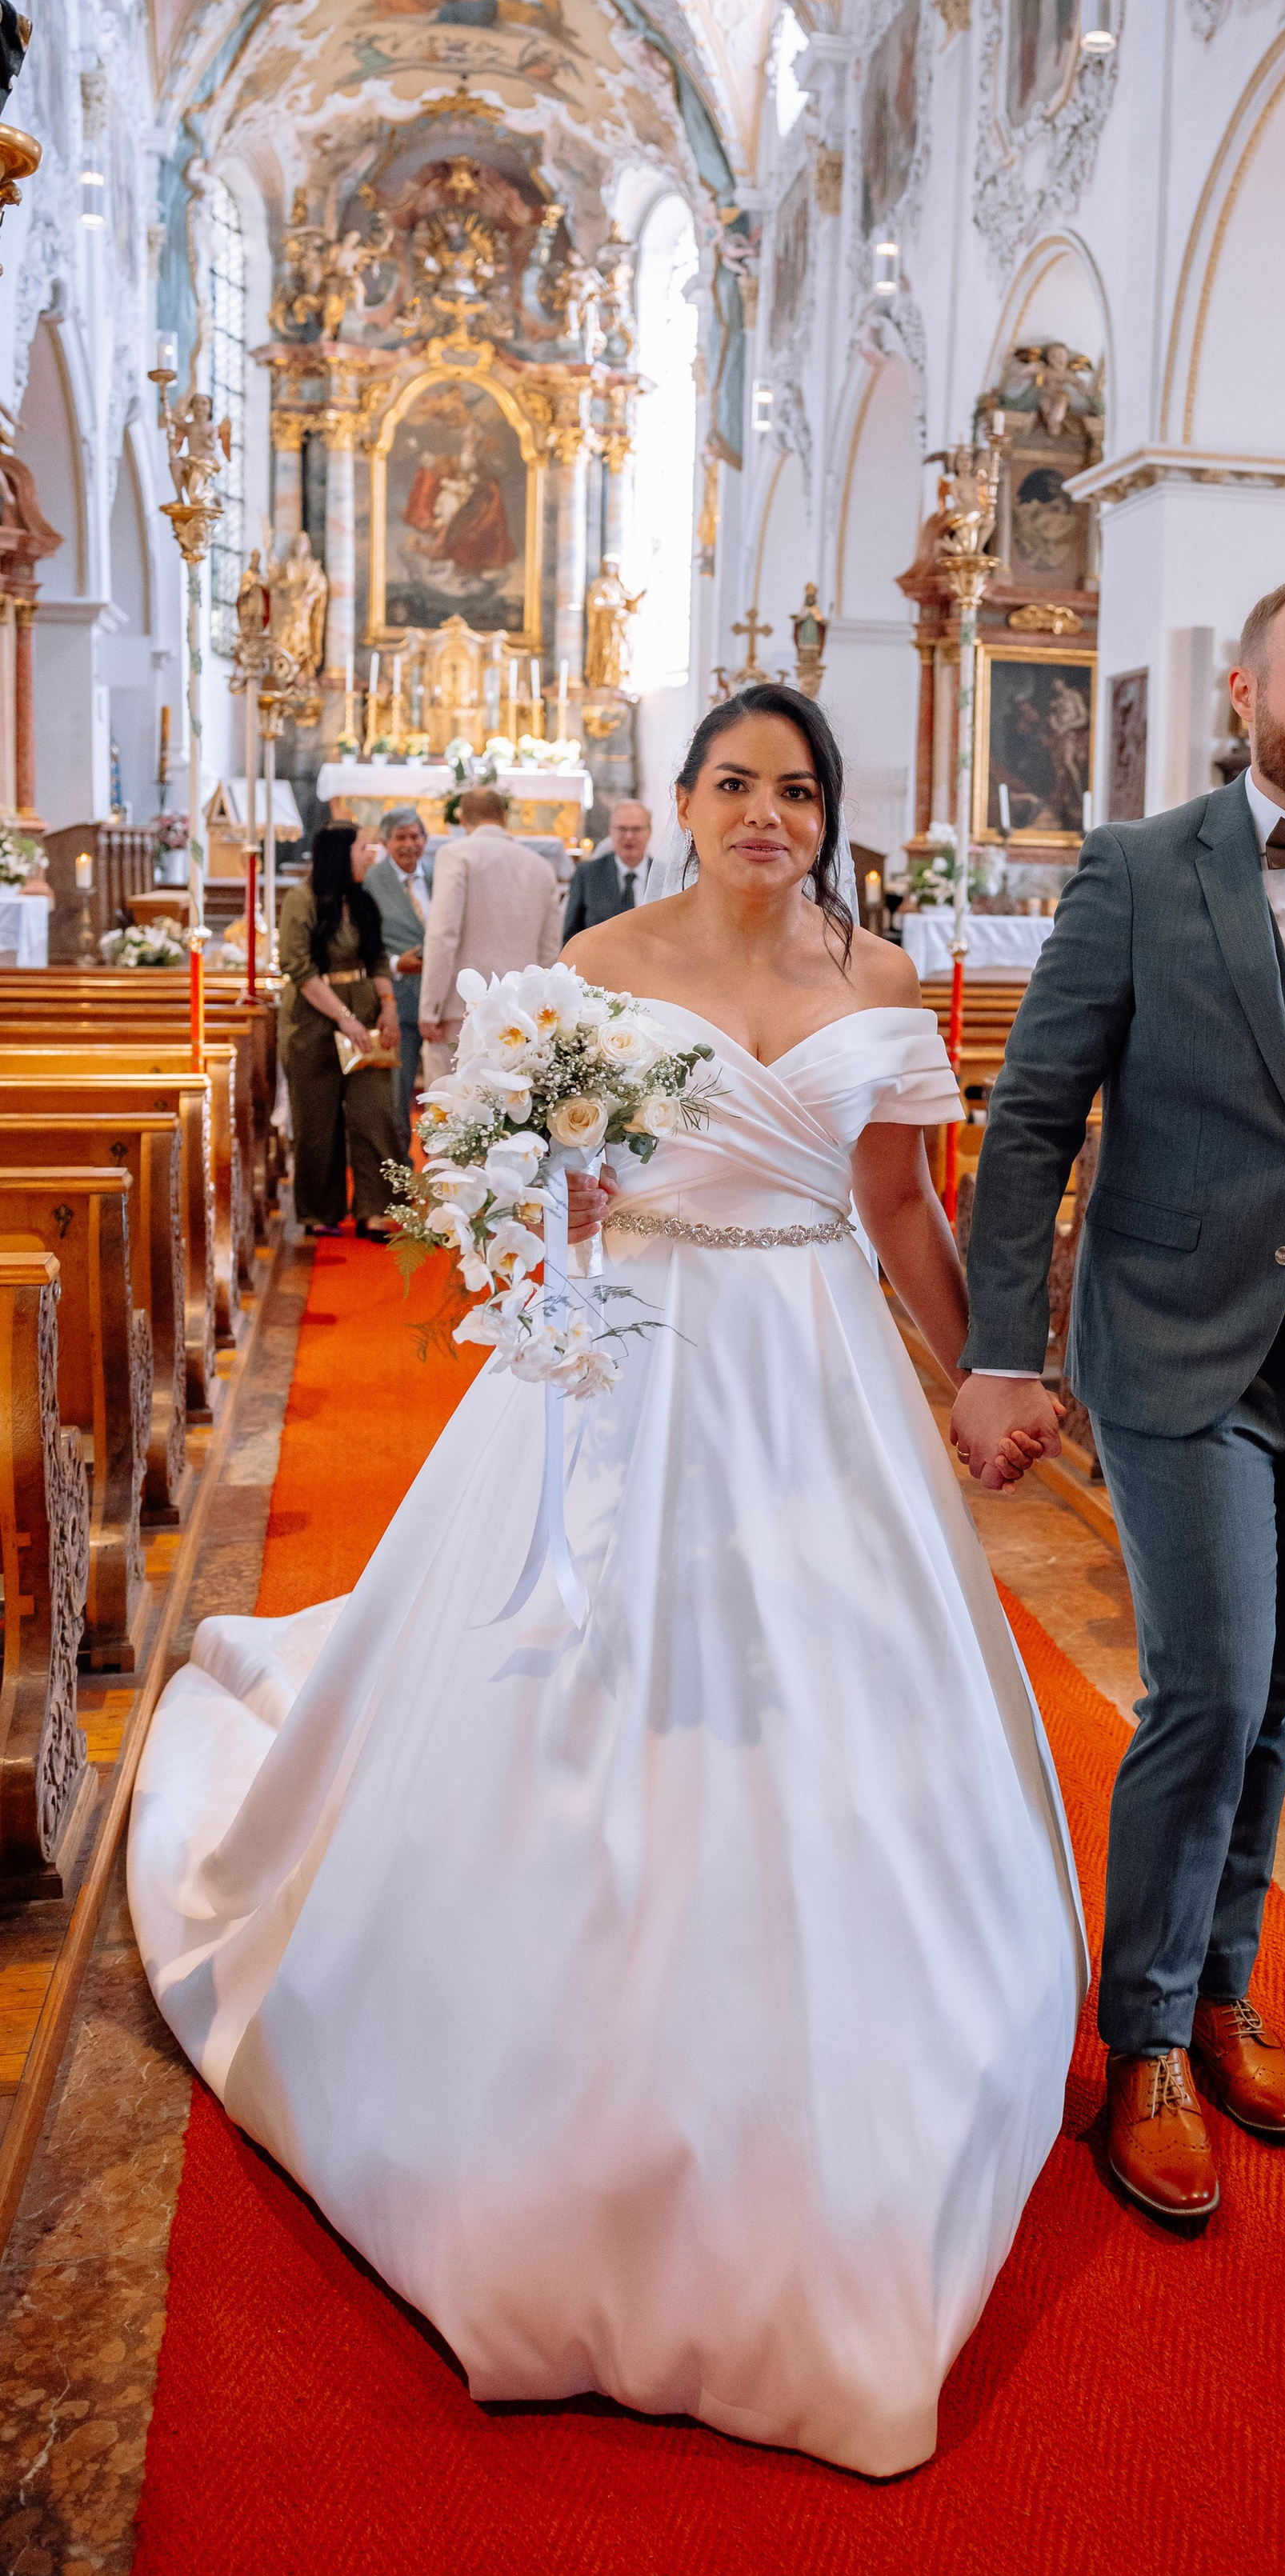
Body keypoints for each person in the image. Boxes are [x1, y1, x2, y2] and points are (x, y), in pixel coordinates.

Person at [126, 681, 1083, 2478]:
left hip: (815, 1378)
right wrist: (525, 1216)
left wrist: (979, 1366)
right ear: (680, 796)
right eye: (733, 782)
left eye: (797, 788)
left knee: (841, 1710)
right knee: (588, 1694)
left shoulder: (873, 984)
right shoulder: (598, 959)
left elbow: (894, 1209)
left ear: (828, 809)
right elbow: (530, 1194)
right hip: (626, 1359)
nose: (764, 815)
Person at [953, 574, 1285, 2226]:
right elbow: (1035, 1115)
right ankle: (1138, 2044)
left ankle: (1213, 1988)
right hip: (1175, 1343)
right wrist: (999, 1346)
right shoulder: (1137, 868)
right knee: (1202, 1686)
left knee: (1274, 1700)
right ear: (1250, 690)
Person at [276, 822, 406, 1238]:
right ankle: (320, 1211)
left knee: (375, 1112)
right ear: (339, 854)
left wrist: (387, 1006)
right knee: (317, 1117)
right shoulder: (301, 900)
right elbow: (299, 968)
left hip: (367, 1011)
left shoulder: (363, 899)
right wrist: (342, 1018)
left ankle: (375, 1209)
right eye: (364, 847)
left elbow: (378, 957)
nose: (372, 854)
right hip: (314, 1018)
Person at [418, 785, 562, 1072]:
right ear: (504, 816)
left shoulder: (456, 855)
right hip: (521, 1013)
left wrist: (430, 1007)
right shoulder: (541, 867)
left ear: (462, 819)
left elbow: (444, 935)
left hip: (461, 1010)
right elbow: (550, 951)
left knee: (456, 1106)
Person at [361, 807, 434, 1130]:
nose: (409, 844)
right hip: (397, 1000)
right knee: (397, 1092)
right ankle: (398, 1164)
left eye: (415, 836)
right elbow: (363, 942)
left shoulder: (437, 874)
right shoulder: (371, 881)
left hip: (438, 1000)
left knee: (445, 1089)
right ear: (386, 842)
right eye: (401, 837)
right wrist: (396, 964)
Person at [560, 798, 651, 938]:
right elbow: (571, 935)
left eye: (636, 829)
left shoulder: (667, 875)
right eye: (622, 828)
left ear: (649, 831)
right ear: (611, 831)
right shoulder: (587, 875)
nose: (629, 836)